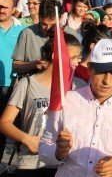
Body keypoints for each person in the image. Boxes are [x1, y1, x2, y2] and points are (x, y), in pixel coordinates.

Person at [38, 39, 112, 176]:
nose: (107, 80)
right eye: (101, 71)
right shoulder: (66, 102)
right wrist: (57, 152)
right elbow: (43, 149)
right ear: (89, 69)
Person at [0, 35, 81, 176]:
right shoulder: (27, 84)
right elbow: (4, 123)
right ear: (57, 56)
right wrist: (27, 139)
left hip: (67, 165)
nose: (77, 63)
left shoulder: (79, 86)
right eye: (73, 58)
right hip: (32, 164)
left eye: (78, 57)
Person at [13, 0, 77, 75]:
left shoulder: (71, 34)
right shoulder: (27, 33)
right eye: (44, 24)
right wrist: (33, 65)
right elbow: (15, 66)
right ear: (39, 16)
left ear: (61, 17)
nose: (48, 28)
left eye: (53, 25)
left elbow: (77, 62)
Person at [0, 0, 26, 157]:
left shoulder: (23, 29)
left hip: (16, 86)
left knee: (13, 128)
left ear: (14, 9)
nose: (0, 10)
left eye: (4, 7)